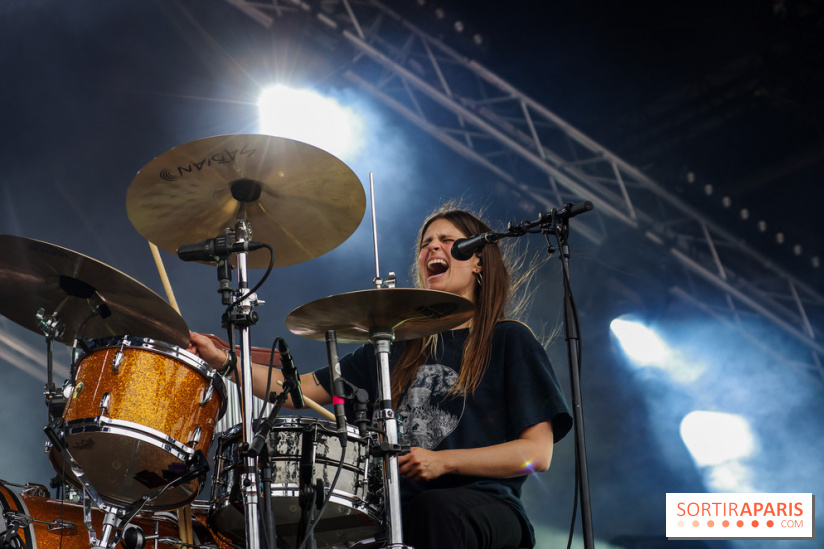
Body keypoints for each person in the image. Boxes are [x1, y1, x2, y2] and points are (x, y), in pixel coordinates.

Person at [189, 206, 572, 549]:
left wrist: (445, 462)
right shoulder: (395, 346)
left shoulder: (507, 339)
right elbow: (296, 391)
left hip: (485, 506)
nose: (432, 248)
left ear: (478, 262)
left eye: (447, 241)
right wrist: (223, 361)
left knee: (435, 510)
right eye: (426, 243)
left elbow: (536, 455)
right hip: (398, 509)